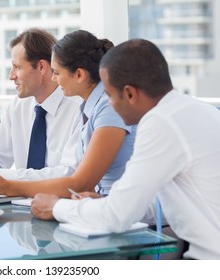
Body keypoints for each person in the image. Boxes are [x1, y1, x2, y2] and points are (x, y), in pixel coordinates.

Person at [31, 39, 220, 259]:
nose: (108, 104)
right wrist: (105, 203)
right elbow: (162, 204)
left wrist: (55, 207)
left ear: (130, 94)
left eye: (109, 95)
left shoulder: (160, 122)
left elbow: (117, 217)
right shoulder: (194, 110)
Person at [0, 30, 135, 198]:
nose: (54, 79)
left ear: (79, 75)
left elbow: (79, 182)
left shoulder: (105, 107)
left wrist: (6, 185)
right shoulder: (92, 106)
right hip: (100, 204)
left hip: (122, 211)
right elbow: (86, 186)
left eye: (57, 73)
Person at [0, 28, 80, 181]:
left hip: (60, 201)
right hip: (20, 200)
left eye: (17, 67)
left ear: (41, 67)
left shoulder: (78, 109)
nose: (11, 76)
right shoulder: (19, 105)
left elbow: (69, 174)